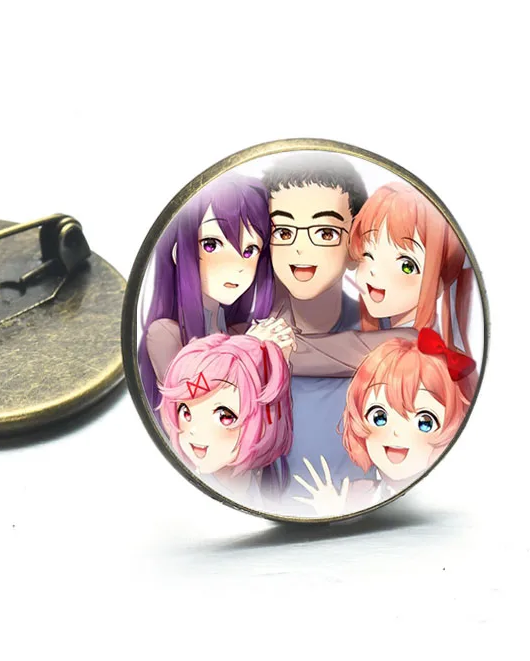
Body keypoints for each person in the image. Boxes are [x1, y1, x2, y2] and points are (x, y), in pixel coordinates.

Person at [260, 153, 414, 503]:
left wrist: (276, 354)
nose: (301, 249)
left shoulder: (391, 333)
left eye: (325, 232)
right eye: (283, 232)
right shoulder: (247, 333)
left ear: (356, 241)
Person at [139, 174, 293, 415]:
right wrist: (247, 349)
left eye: (250, 250)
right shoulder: (164, 333)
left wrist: (276, 360)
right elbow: (188, 395)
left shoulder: (232, 329)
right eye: (211, 244)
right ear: (179, 251)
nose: (236, 265)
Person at [294, 332, 473, 516]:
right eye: (379, 417)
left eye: (424, 422)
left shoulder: (453, 498)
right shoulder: (358, 494)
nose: (396, 432)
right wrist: (334, 514)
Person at [158, 333, 293, 509]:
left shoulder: (263, 477)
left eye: (224, 416)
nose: (194, 430)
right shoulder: (186, 489)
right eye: (185, 412)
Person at [348, 181, 474, 355]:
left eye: (406, 266)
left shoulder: (424, 350)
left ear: (438, 284)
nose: (374, 270)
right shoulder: (365, 326)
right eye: (367, 254)